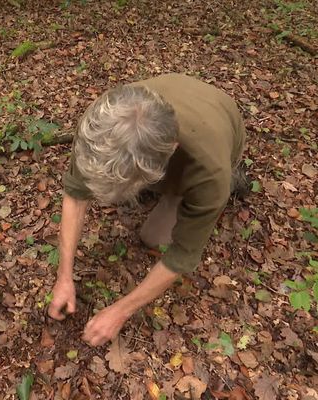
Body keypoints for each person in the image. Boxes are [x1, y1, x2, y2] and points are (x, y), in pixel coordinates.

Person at [47, 73, 247, 347]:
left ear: (169, 152)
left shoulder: (209, 172)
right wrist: (64, 276)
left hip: (220, 123)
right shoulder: (102, 124)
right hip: (172, 99)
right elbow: (76, 195)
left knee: (152, 237)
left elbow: (181, 256)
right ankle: (146, 185)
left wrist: (120, 311)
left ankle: (203, 188)